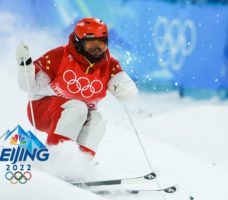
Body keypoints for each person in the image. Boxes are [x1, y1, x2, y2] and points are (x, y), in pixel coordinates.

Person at [16, 17, 138, 157]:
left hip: (79, 114)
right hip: (41, 109)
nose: (97, 51)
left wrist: (125, 91)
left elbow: (130, 93)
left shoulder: (109, 64)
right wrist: (25, 66)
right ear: (78, 43)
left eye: (102, 45)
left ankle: (79, 166)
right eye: (91, 46)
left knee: (98, 120)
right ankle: (56, 159)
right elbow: (28, 86)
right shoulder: (59, 56)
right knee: (77, 108)